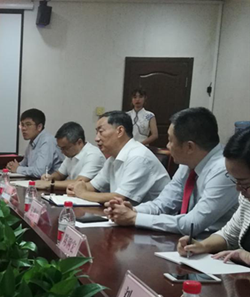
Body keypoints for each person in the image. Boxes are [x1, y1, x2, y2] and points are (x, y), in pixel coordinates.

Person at [105, 107, 238, 235]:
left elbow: (192, 224)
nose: (167, 146)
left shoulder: (224, 170)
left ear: (189, 147)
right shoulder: (188, 163)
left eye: (170, 140)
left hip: (213, 245)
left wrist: (134, 218)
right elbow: (163, 204)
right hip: (187, 240)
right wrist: (131, 210)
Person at [177, 127, 250, 266]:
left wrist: (246, 255)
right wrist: (201, 246)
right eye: (235, 180)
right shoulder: (247, 200)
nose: (238, 189)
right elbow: (228, 235)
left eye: (244, 183)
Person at [67, 111, 170, 205]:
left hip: (152, 217)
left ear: (120, 131)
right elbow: (94, 186)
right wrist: (76, 187)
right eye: (96, 133)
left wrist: (82, 193)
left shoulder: (138, 157)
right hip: (127, 215)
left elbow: (120, 198)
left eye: (101, 132)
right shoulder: (113, 159)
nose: (96, 139)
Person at [37, 122, 105, 192]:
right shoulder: (71, 154)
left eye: (65, 148)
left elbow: (79, 182)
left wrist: (50, 184)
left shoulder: (94, 155)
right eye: (60, 148)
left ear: (79, 142)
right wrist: (50, 177)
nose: (62, 152)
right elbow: (60, 174)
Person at [6, 109, 63, 178]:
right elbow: (25, 164)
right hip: (39, 182)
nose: (23, 128)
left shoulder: (47, 141)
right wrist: (13, 166)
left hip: (54, 183)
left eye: (28, 124)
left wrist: (18, 169)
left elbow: (40, 172)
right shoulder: (32, 141)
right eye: (22, 125)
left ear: (39, 127)